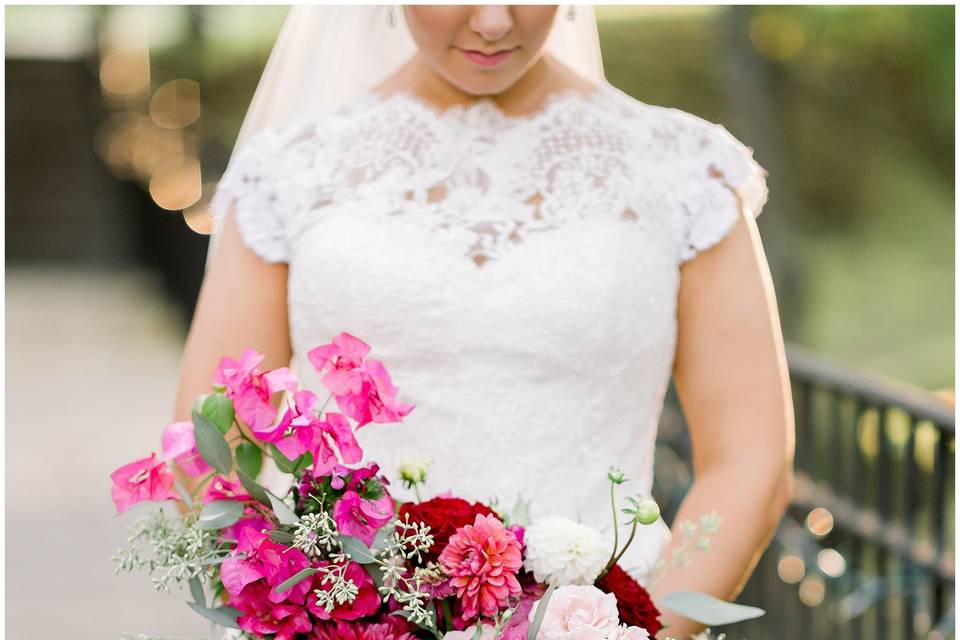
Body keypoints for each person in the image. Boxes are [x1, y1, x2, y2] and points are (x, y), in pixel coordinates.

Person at [175, 6, 795, 638]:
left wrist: (643, 632)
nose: (495, 21)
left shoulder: (686, 172)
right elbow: (211, 445)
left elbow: (749, 458)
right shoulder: (287, 172)